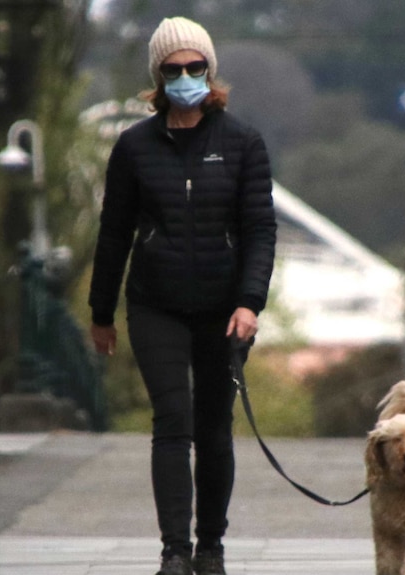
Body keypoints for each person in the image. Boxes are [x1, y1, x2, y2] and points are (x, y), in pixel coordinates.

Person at [88, 16, 276, 575]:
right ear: (158, 77)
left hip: (223, 307)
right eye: (174, 69)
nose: (186, 76)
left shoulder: (243, 143)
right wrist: (101, 313)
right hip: (155, 303)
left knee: (215, 426)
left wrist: (250, 302)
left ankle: (210, 545)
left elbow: (260, 229)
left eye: (196, 67)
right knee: (173, 420)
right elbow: (114, 232)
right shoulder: (133, 147)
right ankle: (173, 551)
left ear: (211, 71)